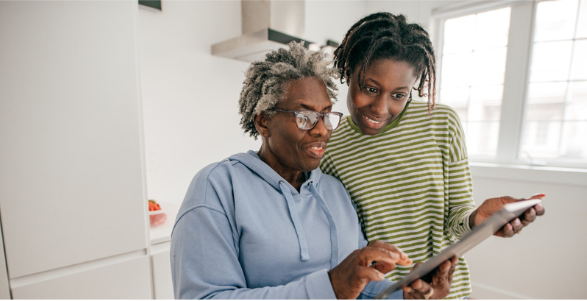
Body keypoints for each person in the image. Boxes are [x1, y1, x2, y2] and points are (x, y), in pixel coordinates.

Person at [170, 42, 458, 299]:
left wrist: (404, 295)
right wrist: (331, 287)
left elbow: (361, 288)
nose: (322, 130)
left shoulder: (334, 190)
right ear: (263, 122)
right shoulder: (217, 187)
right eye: (304, 116)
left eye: (326, 115)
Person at [320, 12, 546, 299]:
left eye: (398, 95)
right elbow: (343, 243)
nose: (380, 107)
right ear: (348, 72)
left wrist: (479, 220)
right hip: (384, 295)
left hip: (448, 292)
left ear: (412, 87)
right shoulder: (331, 148)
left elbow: (456, 220)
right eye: (370, 88)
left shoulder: (441, 123)